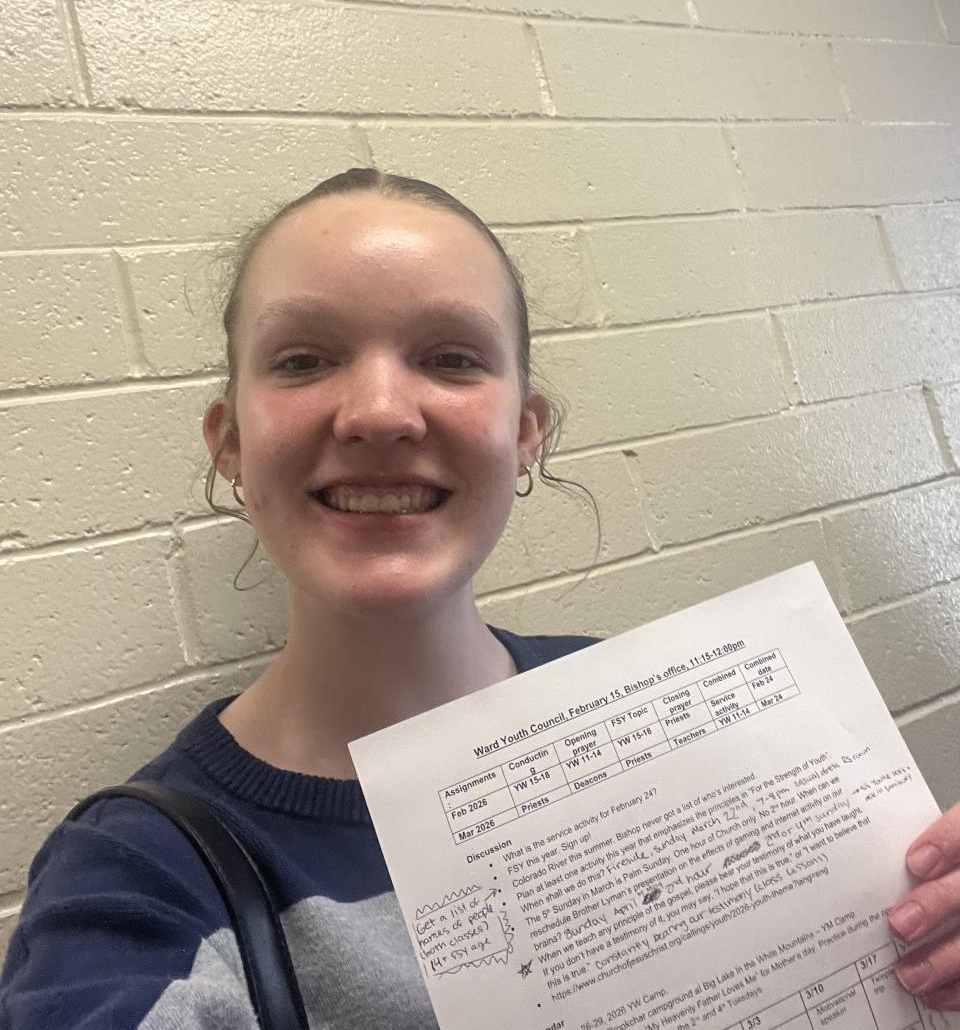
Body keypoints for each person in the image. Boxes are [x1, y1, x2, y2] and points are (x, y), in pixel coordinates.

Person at [1, 170, 958, 1028]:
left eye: (453, 358)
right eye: (302, 360)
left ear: (526, 432)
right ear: (232, 444)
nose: (380, 413)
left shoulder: (673, 720)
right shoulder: (138, 879)